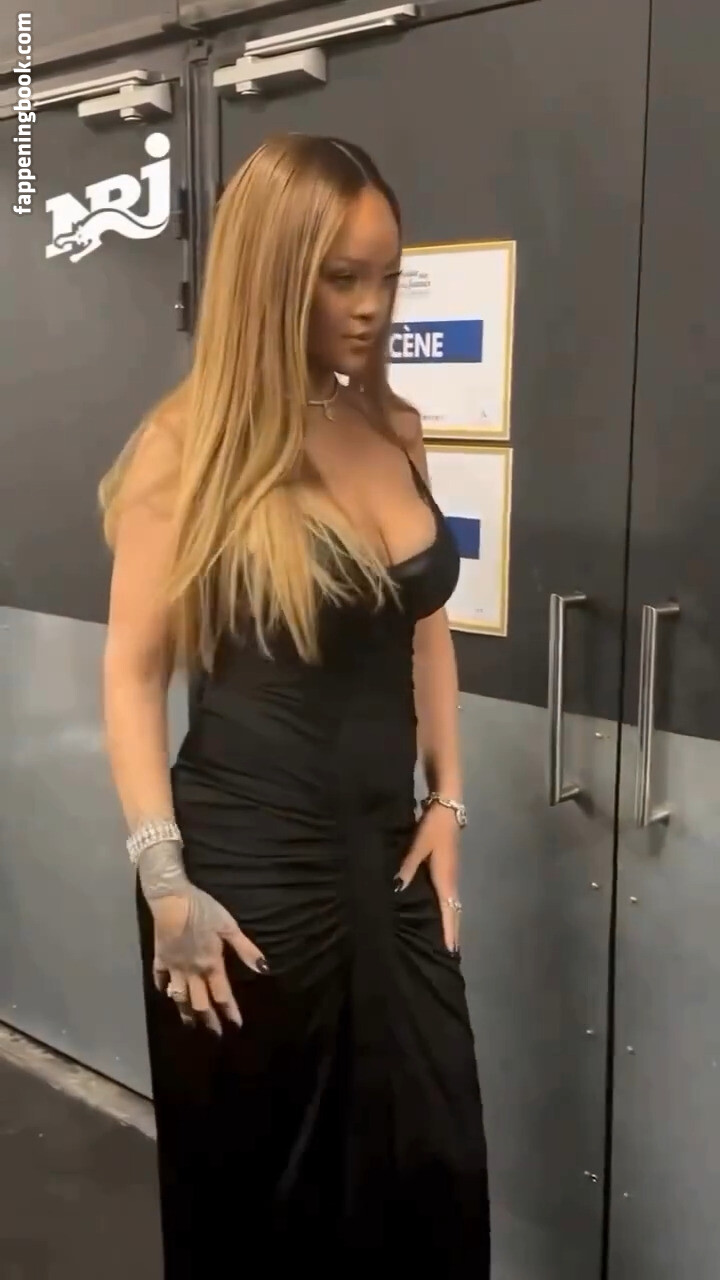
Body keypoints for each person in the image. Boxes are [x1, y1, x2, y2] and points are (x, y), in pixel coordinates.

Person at [100, 133, 490, 1274]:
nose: (371, 306)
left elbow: (425, 627)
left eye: (387, 276)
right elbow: (131, 673)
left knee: (431, 1169)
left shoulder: (394, 429)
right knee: (266, 1201)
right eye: (340, 277)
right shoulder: (190, 449)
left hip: (387, 864)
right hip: (246, 880)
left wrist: (448, 800)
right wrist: (163, 880)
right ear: (272, 275)